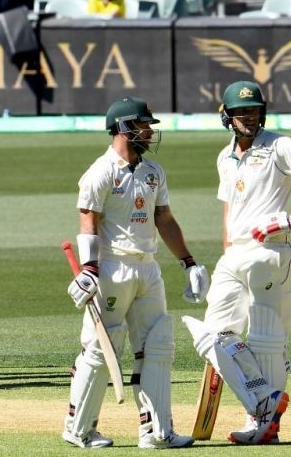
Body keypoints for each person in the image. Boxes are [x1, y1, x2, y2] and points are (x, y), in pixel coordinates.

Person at [183, 81, 291, 445]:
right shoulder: (224, 156)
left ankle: (263, 423)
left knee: (266, 338)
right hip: (235, 255)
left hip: (271, 250)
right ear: (227, 117)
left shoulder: (279, 144)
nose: (249, 117)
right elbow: (229, 206)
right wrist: (226, 248)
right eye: (241, 112)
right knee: (213, 335)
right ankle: (264, 398)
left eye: (254, 110)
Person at [63, 97, 205, 449]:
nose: (149, 131)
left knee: (158, 345)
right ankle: (78, 429)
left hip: (148, 267)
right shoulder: (101, 171)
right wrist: (90, 269)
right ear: (124, 127)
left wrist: (189, 262)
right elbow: (88, 219)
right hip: (112, 266)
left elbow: (164, 219)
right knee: (100, 349)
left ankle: (157, 432)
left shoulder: (153, 171)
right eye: (144, 125)